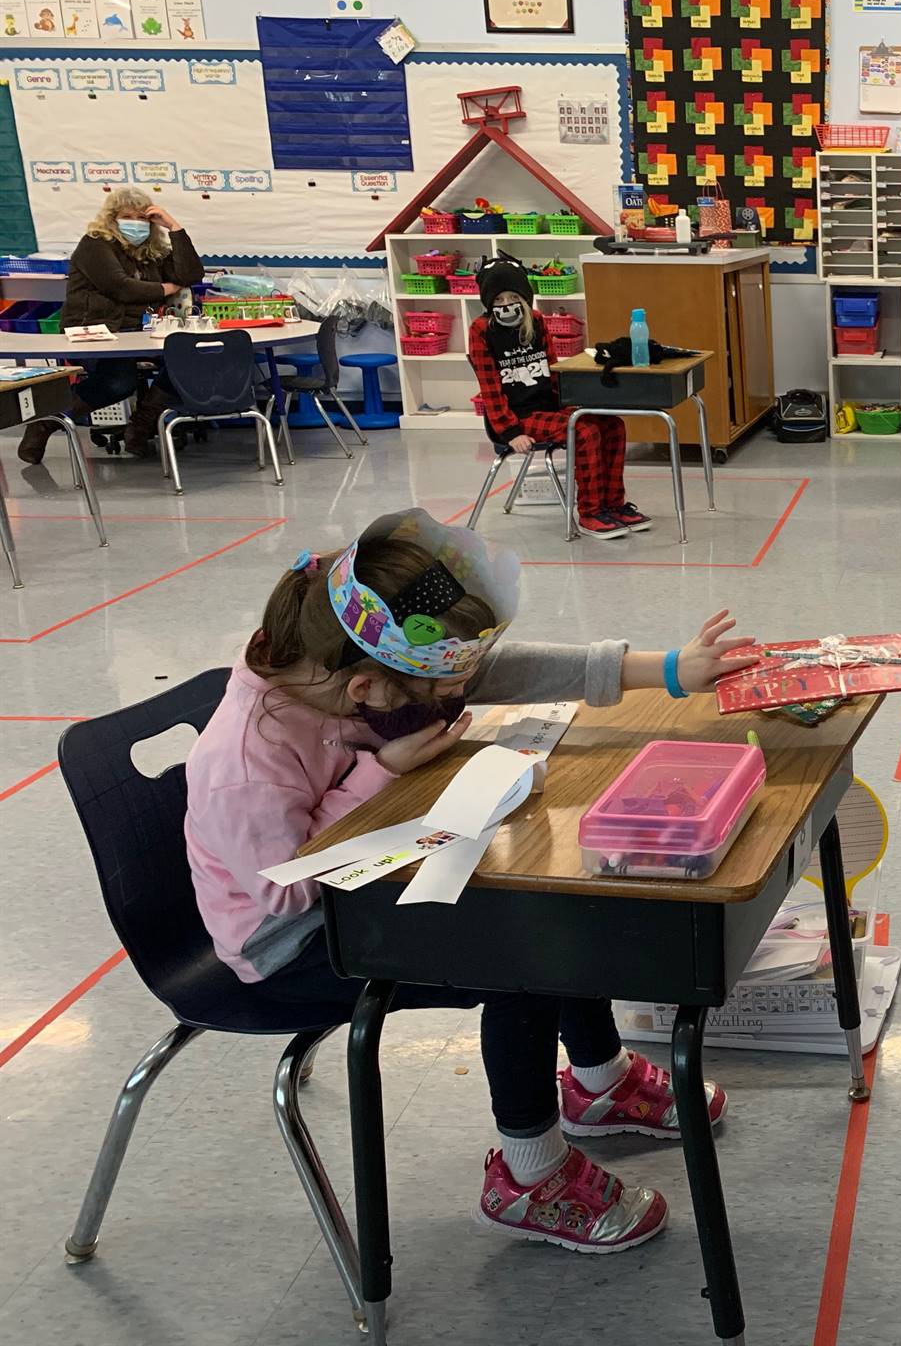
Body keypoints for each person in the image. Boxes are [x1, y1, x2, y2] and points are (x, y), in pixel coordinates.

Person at [186, 508, 751, 1252]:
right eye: (432, 687)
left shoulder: (335, 660)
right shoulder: (244, 765)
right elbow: (284, 890)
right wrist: (378, 774)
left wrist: (670, 669)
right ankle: (529, 1177)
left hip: (366, 873)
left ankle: (599, 1078)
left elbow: (493, 671)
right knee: (520, 956)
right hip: (291, 941)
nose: (453, 693)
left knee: (565, 903)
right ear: (365, 692)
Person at [467, 256, 647, 540]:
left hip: (547, 410)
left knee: (613, 425)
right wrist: (510, 431)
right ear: (489, 303)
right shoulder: (481, 330)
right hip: (517, 418)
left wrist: (572, 404)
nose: (506, 304)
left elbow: (553, 371)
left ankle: (613, 504)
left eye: (513, 296)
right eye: (498, 299)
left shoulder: (537, 322)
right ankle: (589, 513)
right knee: (583, 432)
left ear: (525, 298)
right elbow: (490, 388)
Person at [21, 187, 202, 462]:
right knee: (119, 381)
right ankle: (46, 422)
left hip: (140, 334)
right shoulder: (94, 244)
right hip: (93, 331)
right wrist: (166, 287)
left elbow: (190, 275)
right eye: (127, 216)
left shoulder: (152, 250)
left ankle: (140, 428)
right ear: (112, 218)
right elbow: (121, 288)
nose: (136, 223)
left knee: (188, 359)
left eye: (143, 217)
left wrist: (174, 227)